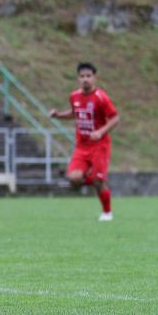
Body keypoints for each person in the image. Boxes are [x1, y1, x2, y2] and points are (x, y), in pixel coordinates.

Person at [49, 63, 119, 221]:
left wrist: (101, 132)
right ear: (78, 78)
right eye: (82, 76)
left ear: (94, 78)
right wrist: (58, 115)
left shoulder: (101, 97)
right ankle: (96, 179)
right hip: (82, 146)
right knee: (73, 178)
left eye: (88, 76)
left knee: (98, 181)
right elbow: (75, 113)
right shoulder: (74, 96)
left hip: (100, 145)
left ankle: (107, 212)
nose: (85, 79)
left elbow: (115, 118)